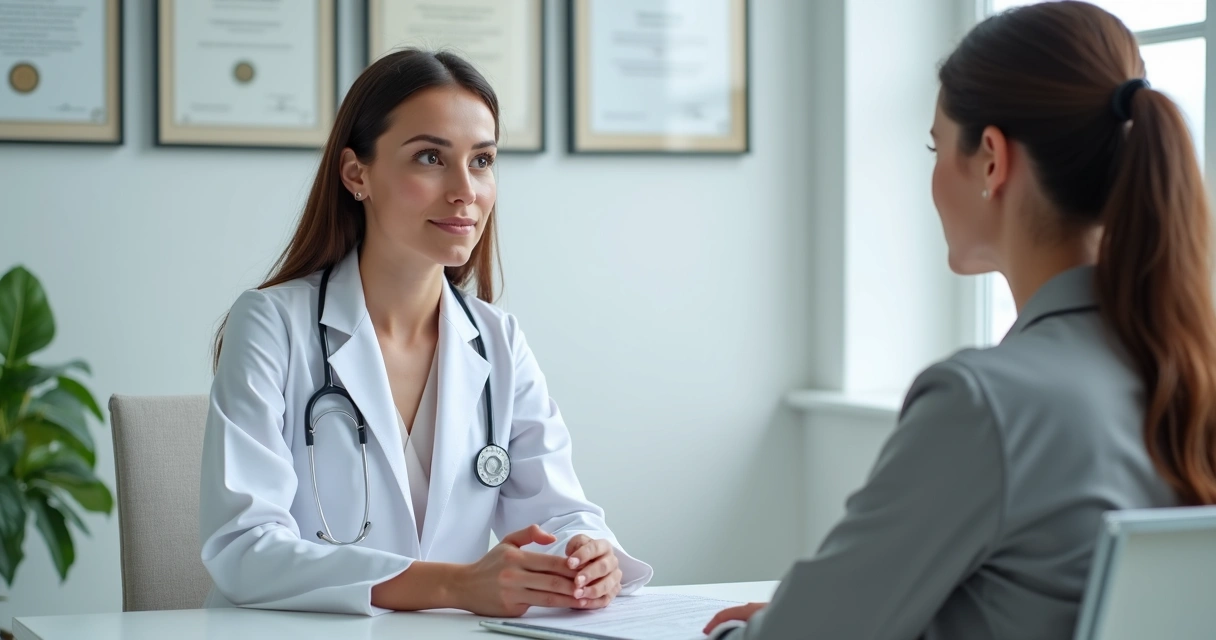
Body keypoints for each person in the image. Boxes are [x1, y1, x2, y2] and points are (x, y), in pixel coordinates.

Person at [705, 2, 1216, 638]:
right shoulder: (1188, 374)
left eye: (936, 147)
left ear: (992, 160)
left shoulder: (986, 404)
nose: (932, 174)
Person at [199, 48, 651, 617]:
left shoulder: (497, 340)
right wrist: (455, 586)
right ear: (356, 174)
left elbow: (557, 513)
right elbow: (244, 549)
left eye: (481, 160)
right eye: (430, 157)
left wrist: (587, 555)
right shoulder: (271, 324)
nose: (465, 190)